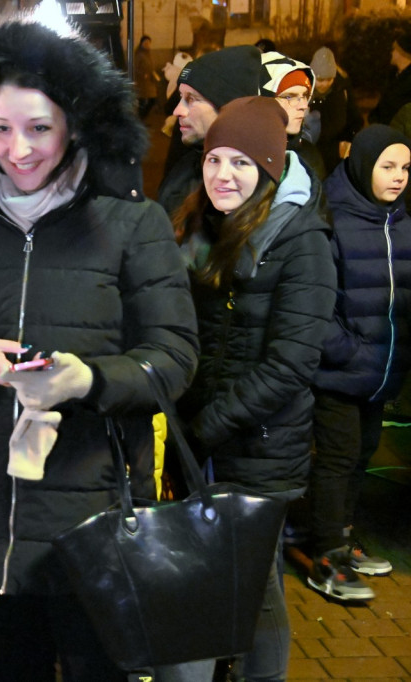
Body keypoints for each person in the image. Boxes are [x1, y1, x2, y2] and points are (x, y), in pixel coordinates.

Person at [0, 20, 199, 681]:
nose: (17, 149)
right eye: (1, 128)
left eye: (38, 127)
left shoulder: (131, 223)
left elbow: (174, 354)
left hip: (95, 511)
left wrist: (87, 378)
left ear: (77, 123)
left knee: (99, 668)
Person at [173, 96, 336, 680]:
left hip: (258, 448)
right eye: (214, 159)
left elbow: (291, 362)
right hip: (204, 447)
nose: (222, 175)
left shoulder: (301, 242)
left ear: (269, 167)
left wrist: (204, 427)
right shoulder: (199, 226)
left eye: (241, 163)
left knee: (245, 586)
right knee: (246, 584)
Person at [307, 124, 411, 602]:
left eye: (406, 168)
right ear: (365, 165)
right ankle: (325, 553)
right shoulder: (333, 217)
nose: (398, 177)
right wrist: (346, 350)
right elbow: (316, 304)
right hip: (341, 369)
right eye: (387, 166)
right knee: (337, 457)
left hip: (381, 371)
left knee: (363, 453)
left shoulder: (401, 222)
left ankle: (342, 538)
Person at [158, 45, 263, 218]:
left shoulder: (250, 188)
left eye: (191, 99)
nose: (177, 110)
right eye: (181, 97)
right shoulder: (187, 166)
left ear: (226, 106)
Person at [260, 51, 327, 180]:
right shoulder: (239, 157)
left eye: (305, 96)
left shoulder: (310, 158)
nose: (303, 106)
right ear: (264, 98)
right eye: (289, 96)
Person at [309, 46, 362, 175]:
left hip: (337, 160)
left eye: (329, 79)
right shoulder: (304, 95)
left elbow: (354, 119)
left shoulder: (341, 90)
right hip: (313, 157)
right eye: (321, 80)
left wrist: (349, 142)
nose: (325, 84)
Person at [370, 33, 411, 126]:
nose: (391, 52)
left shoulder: (407, 82)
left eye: (394, 49)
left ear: (402, 53)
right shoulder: (392, 75)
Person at [134, 35, 159, 119]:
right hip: (142, 82)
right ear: (141, 44)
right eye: (145, 43)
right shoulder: (139, 54)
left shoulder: (148, 54)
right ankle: (140, 119)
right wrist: (143, 74)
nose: (147, 44)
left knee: (151, 100)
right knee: (143, 101)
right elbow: (135, 67)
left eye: (148, 43)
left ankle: (141, 119)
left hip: (149, 82)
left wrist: (154, 73)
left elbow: (151, 66)